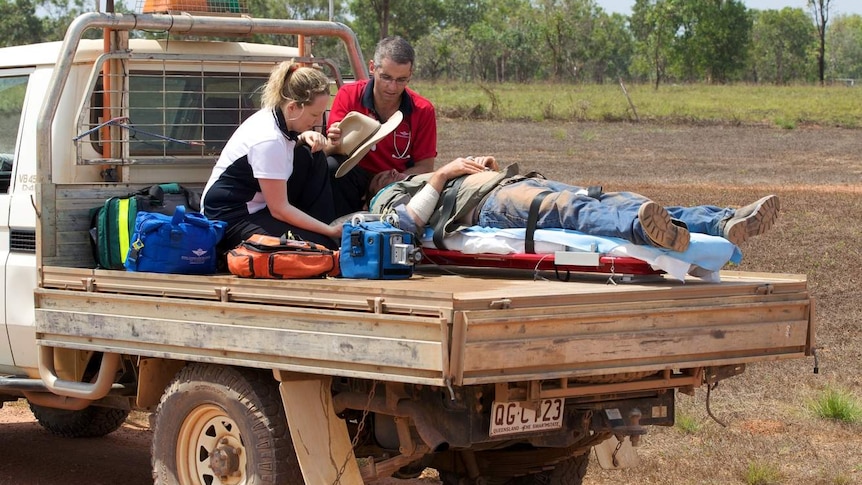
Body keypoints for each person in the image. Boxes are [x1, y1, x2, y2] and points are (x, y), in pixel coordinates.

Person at [367, 156, 780, 252]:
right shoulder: (387, 197)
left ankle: (720, 221)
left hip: (510, 184)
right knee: (572, 210)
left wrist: (480, 163)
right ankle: (645, 232)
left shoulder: (414, 177)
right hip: (493, 203)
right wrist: (441, 176)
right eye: (381, 173)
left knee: (606, 198)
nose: (391, 171)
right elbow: (407, 225)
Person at [201, 61, 341, 253]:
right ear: (293, 107)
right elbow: (279, 209)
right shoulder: (268, 139)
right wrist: (330, 231)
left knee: (310, 155)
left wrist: (301, 138)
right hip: (229, 218)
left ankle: (326, 230)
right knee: (320, 248)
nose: (318, 122)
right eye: (314, 114)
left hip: (258, 208)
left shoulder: (278, 119)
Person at [325, 36, 438, 217]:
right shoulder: (349, 95)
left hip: (397, 181)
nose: (392, 87)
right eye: (386, 77)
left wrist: (397, 180)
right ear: (372, 67)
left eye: (401, 80)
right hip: (354, 176)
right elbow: (333, 150)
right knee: (331, 168)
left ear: (411, 74)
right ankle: (338, 234)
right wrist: (334, 140)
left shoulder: (423, 109)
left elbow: (425, 166)